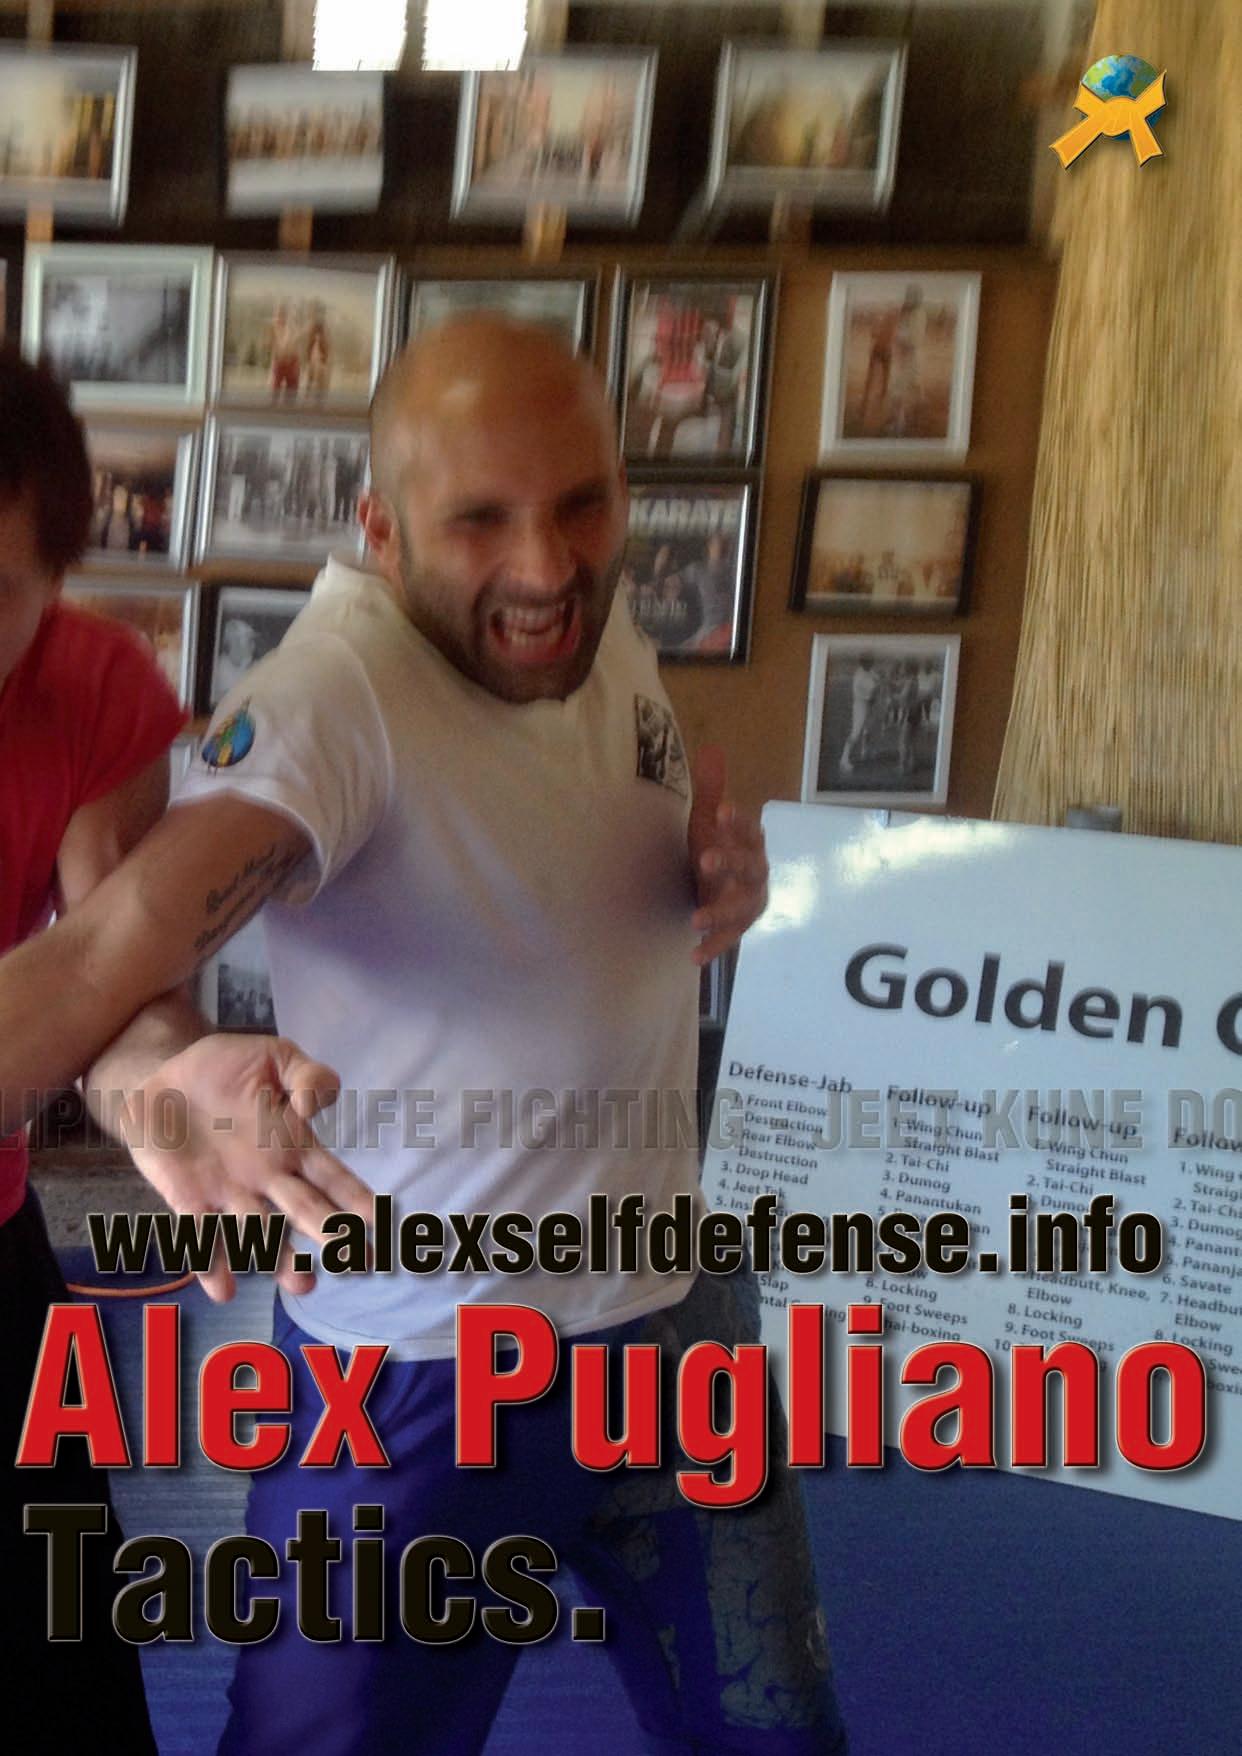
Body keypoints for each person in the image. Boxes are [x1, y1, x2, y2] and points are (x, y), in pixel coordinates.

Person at [0, 319, 843, 1756]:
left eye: (581, 504)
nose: (545, 565)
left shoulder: (591, 622)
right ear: (380, 529)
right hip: (424, 1367)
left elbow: (577, 828)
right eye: (480, 520)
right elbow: (104, 950)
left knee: (780, 1740)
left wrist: (712, 875)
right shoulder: (335, 700)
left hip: (671, 1310)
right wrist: (149, 1069)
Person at [0, 344, 186, 1755]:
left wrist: (177, 1084)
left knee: (65, 1666)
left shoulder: (98, 689)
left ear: (58, 579)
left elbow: (115, 972)